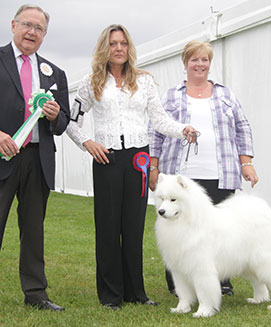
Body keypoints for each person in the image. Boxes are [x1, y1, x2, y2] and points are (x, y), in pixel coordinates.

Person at [66, 24, 195, 311]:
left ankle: (136, 292)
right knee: (109, 226)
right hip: (107, 158)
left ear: (129, 48)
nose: (119, 48)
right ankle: (111, 295)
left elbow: (159, 120)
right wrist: (88, 143)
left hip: (138, 159)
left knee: (134, 227)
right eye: (113, 43)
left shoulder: (144, 81)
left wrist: (182, 128)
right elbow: (70, 121)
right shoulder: (90, 83)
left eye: (123, 43)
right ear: (105, 48)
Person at [149, 40, 258, 296]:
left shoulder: (226, 94)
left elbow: (243, 128)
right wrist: (153, 165)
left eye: (205, 60)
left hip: (221, 174)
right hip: (181, 176)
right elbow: (155, 131)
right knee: (178, 228)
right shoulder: (172, 95)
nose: (200, 64)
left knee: (222, 230)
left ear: (210, 63)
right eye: (194, 59)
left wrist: (247, 163)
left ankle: (221, 280)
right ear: (185, 63)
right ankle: (181, 285)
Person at [0, 5, 70, 311]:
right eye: (27, 25)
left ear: (44, 34)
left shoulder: (54, 72)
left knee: (34, 231)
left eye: (39, 28)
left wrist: (55, 116)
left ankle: (36, 294)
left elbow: (64, 122)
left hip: (37, 160)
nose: (32, 32)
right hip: (3, 156)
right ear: (13, 25)